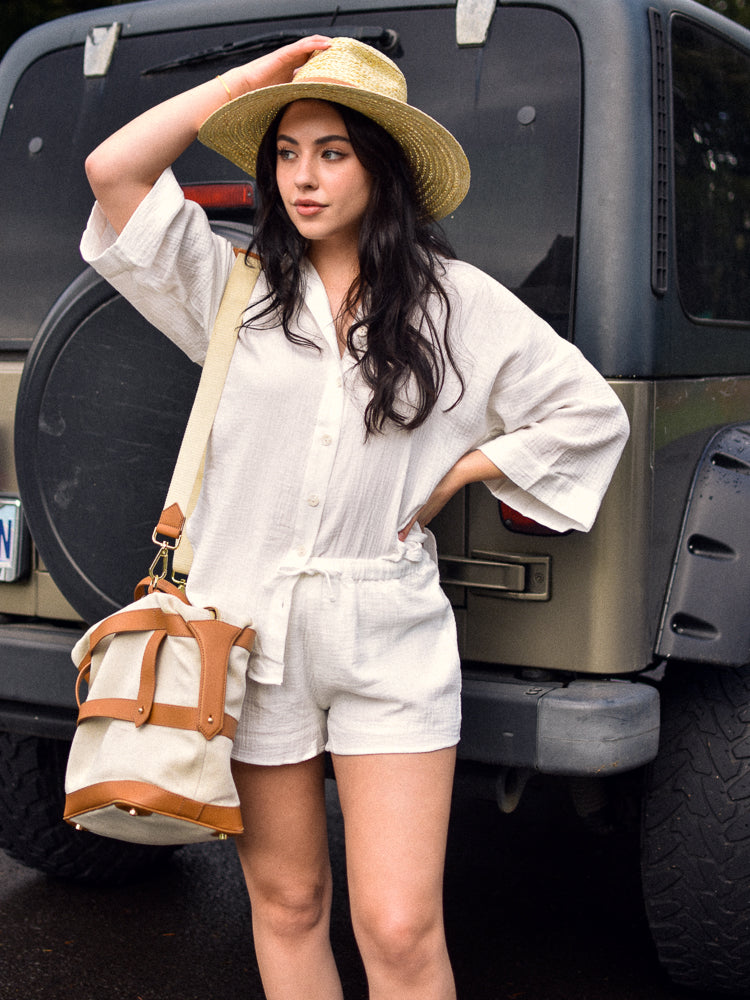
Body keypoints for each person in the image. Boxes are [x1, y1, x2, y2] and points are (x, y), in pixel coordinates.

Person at [80, 35, 629, 1000]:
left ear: (383, 165)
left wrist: (463, 469)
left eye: (332, 151)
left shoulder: (457, 305)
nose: (303, 176)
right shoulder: (231, 288)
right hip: (244, 632)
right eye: (285, 152)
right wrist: (251, 84)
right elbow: (113, 170)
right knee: (288, 905)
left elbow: (588, 413)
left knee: (400, 926)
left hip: (391, 632)